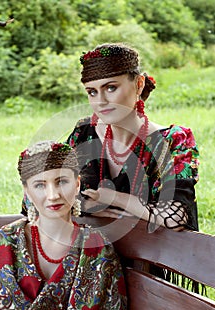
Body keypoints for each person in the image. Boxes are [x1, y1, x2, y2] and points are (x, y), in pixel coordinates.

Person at [0, 140, 128, 310]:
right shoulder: (3, 243)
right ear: (27, 191)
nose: (53, 195)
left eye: (61, 182)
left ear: (77, 183)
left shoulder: (97, 251)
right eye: (40, 185)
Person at [67, 42, 199, 233]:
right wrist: (84, 206)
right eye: (92, 92)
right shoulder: (83, 134)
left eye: (111, 88)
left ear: (139, 84)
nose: (100, 101)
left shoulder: (174, 141)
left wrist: (114, 199)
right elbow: (41, 196)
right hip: (93, 257)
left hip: (158, 257)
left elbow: (175, 218)